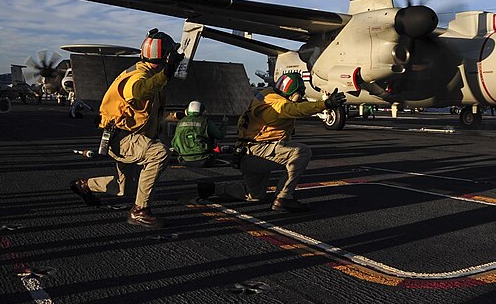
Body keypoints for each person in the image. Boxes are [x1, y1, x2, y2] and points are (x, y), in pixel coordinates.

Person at [69, 28, 183, 228]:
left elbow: (145, 112)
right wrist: (166, 73)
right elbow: (138, 92)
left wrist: (174, 116)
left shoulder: (148, 74)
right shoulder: (139, 76)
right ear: (165, 57)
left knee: (125, 190)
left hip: (126, 137)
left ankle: (84, 185)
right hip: (123, 138)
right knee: (159, 153)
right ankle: (140, 211)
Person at [203, 72, 346, 212]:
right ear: (293, 93)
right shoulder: (278, 104)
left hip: (246, 152)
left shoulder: (267, 93)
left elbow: (293, 105)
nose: (300, 97)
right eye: (299, 94)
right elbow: (294, 109)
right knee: (301, 152)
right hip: (257, 151)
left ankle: (212, 188)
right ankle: (284, 198)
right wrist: (325, 104)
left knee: (254, 196)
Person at [171, 100, 227, 167]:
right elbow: (220, 136)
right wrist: (224, 123)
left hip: (183, 159)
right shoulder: (206, 122)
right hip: (204, 159)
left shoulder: (180, 123)